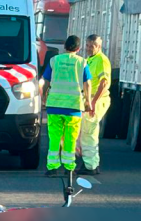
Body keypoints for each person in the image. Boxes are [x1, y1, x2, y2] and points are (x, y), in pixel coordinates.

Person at [40, 36, 92, 177]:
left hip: (54, 106)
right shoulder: (82, 62)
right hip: (74, 107)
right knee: (70, 139)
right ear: (78, 48)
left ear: (64, 46)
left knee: (55, 138)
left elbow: (45, 80)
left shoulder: (54, 61)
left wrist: (43, 96)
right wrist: (88, 101)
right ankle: (69, 168)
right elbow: (87, 83)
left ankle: (52, 168)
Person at [79, 34, 111, 175]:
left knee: (89, 132)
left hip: (96, 100)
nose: (89, 48)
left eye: (92, 46)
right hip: (90, 99)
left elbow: (104, 83)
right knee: (87, 132)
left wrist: (93, 102)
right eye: (87, 45)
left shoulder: (102, 60)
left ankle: (90, 166)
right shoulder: (90, 60)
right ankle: (92, 163)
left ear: (99, 46)